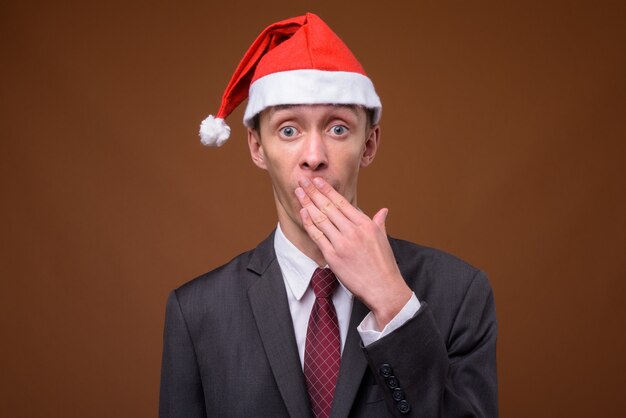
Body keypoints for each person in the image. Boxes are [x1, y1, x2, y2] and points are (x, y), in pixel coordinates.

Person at [159, 12, 497, 418]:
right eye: (288, 130)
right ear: (256, 147)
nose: (314, 157)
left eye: (338, 128)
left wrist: (394, 305)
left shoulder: (460, 294)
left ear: (369, 144)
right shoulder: (197, 312)